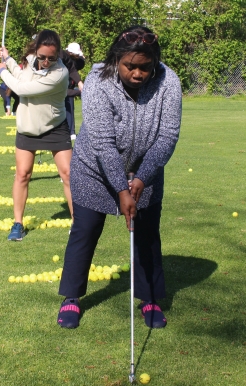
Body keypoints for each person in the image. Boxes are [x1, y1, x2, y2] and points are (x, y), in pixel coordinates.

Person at [56, 25, 182, 329]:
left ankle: (150, 297)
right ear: (116, 60)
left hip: (145, 169)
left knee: (147, 234)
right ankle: (71, 297)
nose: (137, 73)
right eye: (130, 66)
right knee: (84, 230)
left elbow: (167, 136)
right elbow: (102, 142)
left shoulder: (169, 82)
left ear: (154, 63)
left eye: (144, 67)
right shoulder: (99, 80)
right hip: (93, 168)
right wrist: (121, 190)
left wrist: (140, 179)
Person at [0, 29, 73, 241]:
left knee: (68, 174)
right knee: (22, 174)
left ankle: (78, 224)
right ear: (36, 51)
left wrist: (2, 71)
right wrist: (9, 60)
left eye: (52, 58)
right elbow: (22, 75)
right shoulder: (31, 61)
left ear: (57, 55)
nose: (46, 61)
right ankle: (17, 224)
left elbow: (22, 88)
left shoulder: (60, 74)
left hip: (54, 127)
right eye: (42, 57)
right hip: (27, 127)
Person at [64, 42, 86, 140]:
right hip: (65, 88)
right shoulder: (71, 61)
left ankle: (71, 131)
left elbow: (80, 63)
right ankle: (70, 131)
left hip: (69, 88)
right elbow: (81, 62)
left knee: (69, 109)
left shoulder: (70, 59)